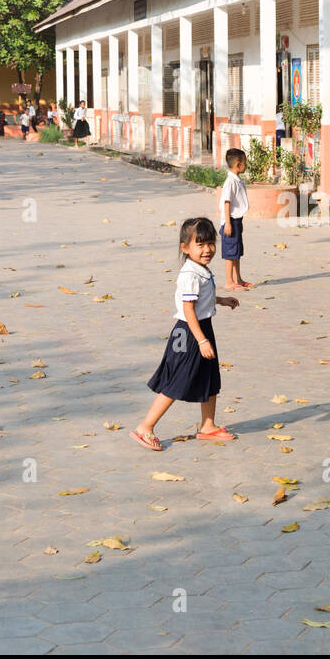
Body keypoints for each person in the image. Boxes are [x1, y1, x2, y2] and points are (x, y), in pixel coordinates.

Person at [131, 217, 241, 451]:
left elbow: (200, 300)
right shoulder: (190, 274)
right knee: (177, 381)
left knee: (210, 378)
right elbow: (188, 309)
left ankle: (208, 426)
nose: (207, 250)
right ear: (185, 247)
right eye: (199, 245)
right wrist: (201, 340)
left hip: (201, 328)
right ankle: (145, 427)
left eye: (210, 243)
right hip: (189, 333)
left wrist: (220, 301)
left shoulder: (200, 269)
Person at [219, 148, 251, 290]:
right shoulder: (230, 182)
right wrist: (227, 223)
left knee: (237, 251)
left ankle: (238, 278)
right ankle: (229, 281)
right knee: (230, 251)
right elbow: (227, 202)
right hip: (230, 220)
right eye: (245, 163)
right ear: (238, 164)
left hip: (237, 220)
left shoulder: (237, 180)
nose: (246, 165)